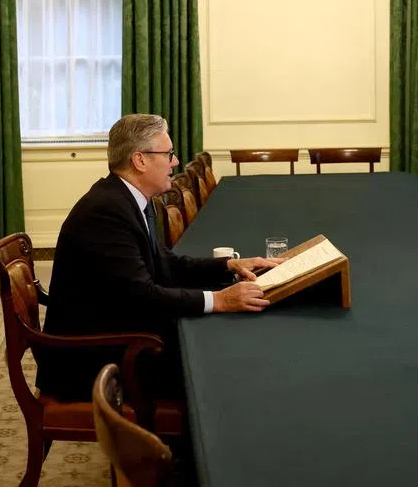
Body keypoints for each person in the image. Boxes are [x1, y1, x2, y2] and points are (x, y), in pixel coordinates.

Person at [36, 113, 282, 401]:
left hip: (116, 331)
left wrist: (228, 266)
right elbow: (142, 295)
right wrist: (220, 300)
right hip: (91, 360)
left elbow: (165, 263)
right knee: (219, 363)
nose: (175, 162)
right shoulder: (106, 212)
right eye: (168, 154)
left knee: (220, 337)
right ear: (140, 160)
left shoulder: (127, 198)